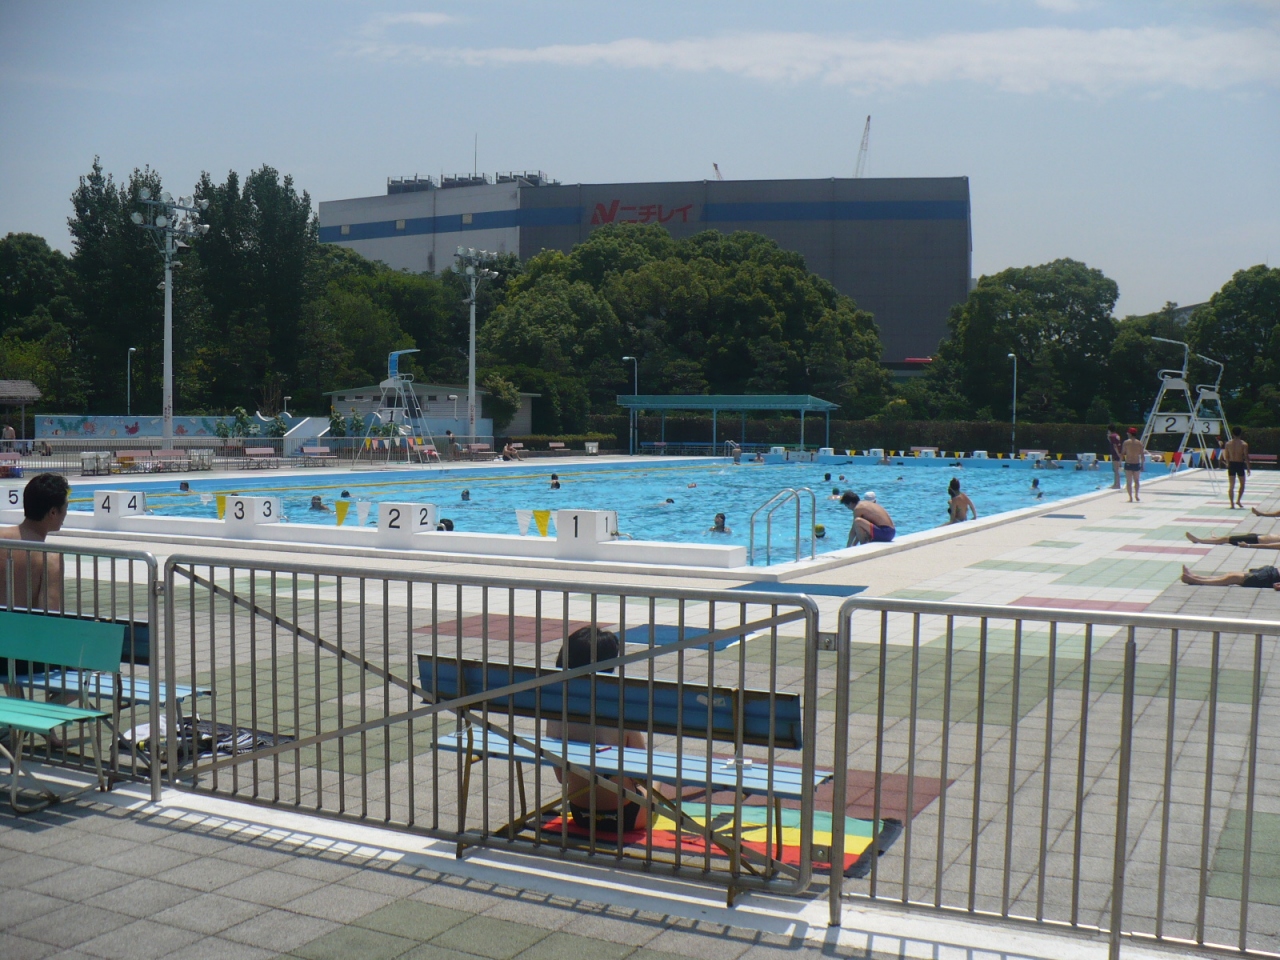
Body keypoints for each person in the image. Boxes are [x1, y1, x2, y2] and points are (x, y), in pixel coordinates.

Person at [546, 627, 647, 834]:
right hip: (625, 814)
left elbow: (561, 777)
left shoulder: (556, 707)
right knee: (655, 784)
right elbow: (641, 769)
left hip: (580, 813)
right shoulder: (618, 705)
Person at [0, 473, 68, 613]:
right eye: (66, 507)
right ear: (53, 512)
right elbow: (48, 615)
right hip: (19, 631)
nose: (66, 513)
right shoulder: (50, 558)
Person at [1180, 564, 1280, 589]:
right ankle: (1197, 577)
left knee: (1234, 578)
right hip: (1272, 572)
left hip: (1271, 578)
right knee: (1231, 574)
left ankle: (1196, 581)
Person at [1223, 429, 1250, 509]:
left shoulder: (1228, 444)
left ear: (1232, 434)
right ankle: (1238, 500)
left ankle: (1232, 504)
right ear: (1240, 434)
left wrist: (1228, 463)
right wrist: (1248, 467)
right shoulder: (1244, 444)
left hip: (1232, 464)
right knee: (1242, 484)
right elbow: (1246, 456)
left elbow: (1226, 456)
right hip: (1240, 464)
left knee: (1231, 485)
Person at [1121, 427, 1146, 502]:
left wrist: (1119, 463)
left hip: (1128, 463)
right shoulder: (1139, 443)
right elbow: (1142, 455)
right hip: (1136, 463)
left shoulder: (1126, 442)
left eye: (1128, 433)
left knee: (1128, 482)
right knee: (1137, 481)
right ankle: (1136, 495)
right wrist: (1142, 465)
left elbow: (1122, 453)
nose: (1127, 434)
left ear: (1130, 434)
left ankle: (1130, 497)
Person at [1185, 531, 1280, 547]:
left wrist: (1249, 546)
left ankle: (1199, 540)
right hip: (1258, 537)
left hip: (1256, 540)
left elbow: (1272, 545)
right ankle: (1215, 539)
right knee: (1229, 539)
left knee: (1226, 539)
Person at [1107, 424, 1123, 489]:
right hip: (1117, 454)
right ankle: (1115, 483)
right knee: (1116, 470)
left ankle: (1117, 484)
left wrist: (1118, 454)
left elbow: (1115, 446)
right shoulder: (1117, 435)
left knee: (1116, 470)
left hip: (1115, 454)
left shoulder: (1112, 436)